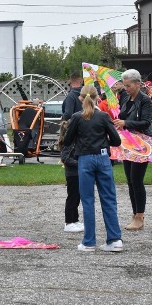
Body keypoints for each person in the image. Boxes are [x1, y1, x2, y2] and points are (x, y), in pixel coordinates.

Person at [63, 84, 123, 252]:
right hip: (103, 158)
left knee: (88, 200)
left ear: (81, 99)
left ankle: (89, 242)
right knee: (109, 199)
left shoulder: (76, 117)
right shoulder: (103, 116)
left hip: (85, 159)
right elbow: (117, 141)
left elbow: (67, 141)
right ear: (98, 98)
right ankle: (115, 239)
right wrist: (104, 142)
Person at [113, 69, 152, 231]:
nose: (126, 88)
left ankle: (140, 216)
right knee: (130, 180)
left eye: (129, 85)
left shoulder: (146, 101)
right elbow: (122, 114)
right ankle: (135, 214)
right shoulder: (125, 96)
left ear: (138, 84)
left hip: (142, 145)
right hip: (127, 144)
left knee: (136, 179)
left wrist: (125, 123)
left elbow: (145, 122)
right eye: (125, 86)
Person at [58, 120, 83, 233]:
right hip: (72, 174)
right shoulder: (68, 143)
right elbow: (65, 158)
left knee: (76, 198)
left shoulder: (73, 141)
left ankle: (75, 220)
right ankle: (69, 222)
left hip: (77, 174)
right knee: (72, 198)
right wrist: (80, 164)